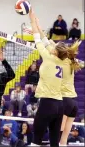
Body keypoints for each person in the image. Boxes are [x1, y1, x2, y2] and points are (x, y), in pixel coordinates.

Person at [29, 9, 68, 147]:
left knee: (36, 139)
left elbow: (39, 38)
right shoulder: (62, 61)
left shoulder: (47, 56)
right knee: (54, 142)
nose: (52, 44)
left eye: (54, 45)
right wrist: (38, 25)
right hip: (59, 105)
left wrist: (32, 19)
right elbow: (46, 39)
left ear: (55, 51)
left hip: (47, 103)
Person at [59, 41, 84, 145]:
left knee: (59, 131)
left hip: (65, 99)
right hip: (74, 102)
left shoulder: (61, 62)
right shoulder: (72, 62)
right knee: (64, 137)